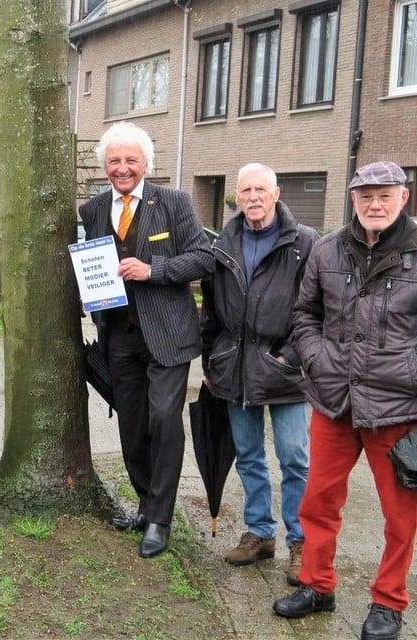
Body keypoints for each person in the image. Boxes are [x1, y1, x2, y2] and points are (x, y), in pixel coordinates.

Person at [273, 161, 417, 640]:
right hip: (333, 400)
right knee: (317, 501)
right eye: (365, 196)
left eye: (384, 195)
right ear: (353, 199)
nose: (374, 205)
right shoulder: (327, 248)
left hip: (398, 408)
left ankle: (389, 601)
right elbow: (304, 313)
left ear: (403, 197)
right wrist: (316, 359)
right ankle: (318, 585)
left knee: (400, 515)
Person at [79, 121, 214, 558]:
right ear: (105, 167)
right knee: (132, 427)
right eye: (114, 160)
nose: (122, 168)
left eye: (130, 160)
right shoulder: (95, 208)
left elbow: (203, 258)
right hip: (118, 335)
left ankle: (160, 518)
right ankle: (143, 502)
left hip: (168, 336)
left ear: (146, 164)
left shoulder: (173, 202)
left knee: (163, 422)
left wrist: (153, 270)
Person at [200, 163, 316, 584]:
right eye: (245, 190)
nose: (253, 197)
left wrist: (290, 357)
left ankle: (300, 540)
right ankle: (260, 533)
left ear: (276, 193)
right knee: (248, 456)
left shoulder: (303, 243)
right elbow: (210, 310)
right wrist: (210, 359)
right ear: (236, 196)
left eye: (260, 189)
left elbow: (313, 310)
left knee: (294, 459)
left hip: (284, 371)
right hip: (233, 369)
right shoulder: (223, 243)